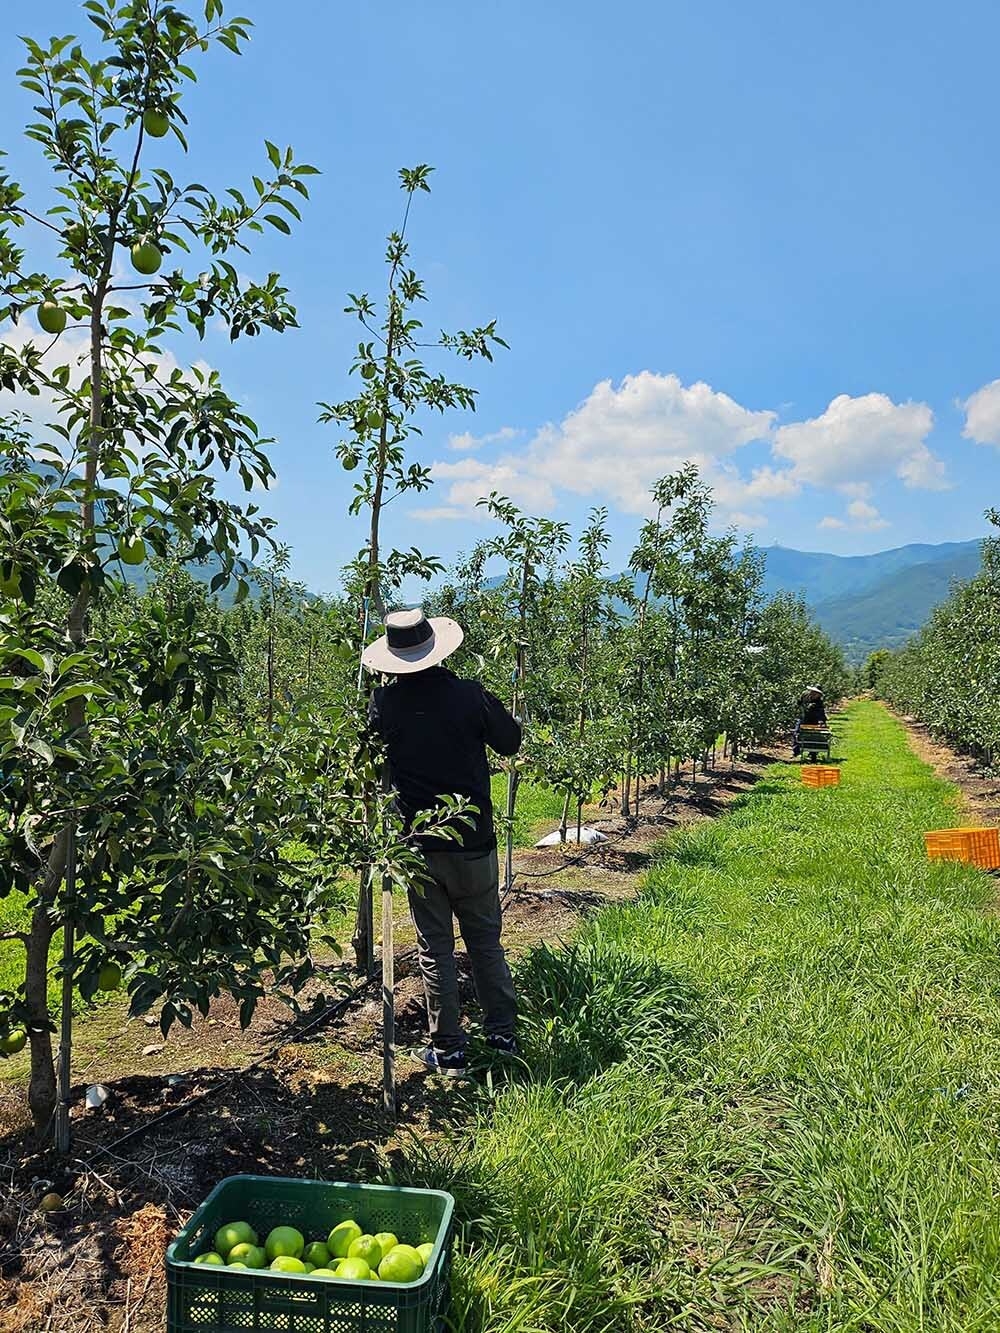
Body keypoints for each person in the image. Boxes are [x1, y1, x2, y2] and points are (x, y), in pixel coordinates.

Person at [363, 607, 522, 1077]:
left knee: (434, 947)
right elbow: (510, 742)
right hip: (472, 841)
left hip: (418, 847)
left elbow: (368, 764)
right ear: (435, 647)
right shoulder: (469, 696)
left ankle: (449, 1047)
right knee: (484, 941)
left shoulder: (383, 704)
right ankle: (502, 1032)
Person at [793, 684, 827, 756]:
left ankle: (812, 753)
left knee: (813, 736)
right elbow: (799, 702)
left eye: (816, 693)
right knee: (796, 733)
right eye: (813, 692)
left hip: (813, 719)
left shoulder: (819, 702)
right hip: (802, 717)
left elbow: (821, 713)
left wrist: (822, 721)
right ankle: (796, 751)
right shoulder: (804, 694)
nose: (814, 694)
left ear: (819, 695)